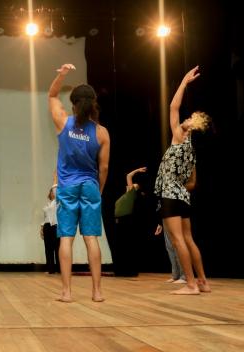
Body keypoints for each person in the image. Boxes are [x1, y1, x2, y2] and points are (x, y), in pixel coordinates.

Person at [48, 63, 110, 302]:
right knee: (91, 238)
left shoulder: (63, 122)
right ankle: (97, 292)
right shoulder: (102, 132)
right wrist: (99, 190)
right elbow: (103, 168)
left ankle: (66, 292)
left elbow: (52, 96)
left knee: (66, 238)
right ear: (94, 103)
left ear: (73, 104)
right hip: (90, 186)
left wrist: (62, 74)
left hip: (67, 187)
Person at [154, 65, 211, 295]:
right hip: (183, 195)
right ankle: (203, 282)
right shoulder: (191, 150)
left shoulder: (180, 137)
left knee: (178, 240)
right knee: (188, 238)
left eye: (189, 119)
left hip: (171, 194)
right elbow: (191, 181)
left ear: (192, 126)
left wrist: (184, 82)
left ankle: (190, 284)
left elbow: (173, 107)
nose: (184, 119)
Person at [113, 167, 160, 277]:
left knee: (127, 246)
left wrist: (137, 171)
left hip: (126, 221)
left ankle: (129, 270)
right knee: (121, 247)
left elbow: (128, 176)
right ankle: (121, 270)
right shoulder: (126, 195)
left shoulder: (132, 193)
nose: (132, 185)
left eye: (134, 185)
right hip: (120, 222)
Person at [40, 172, 59, 274]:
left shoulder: (57, 202)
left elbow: (56, 188)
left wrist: (55, 179)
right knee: (48, 248)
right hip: (47, 226)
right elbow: (45, 218)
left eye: (53, 191)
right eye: (51, 191)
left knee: (57, 247)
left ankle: (60, 269)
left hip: (55, 226)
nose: (52, 192)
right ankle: (50, 269)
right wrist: (41, 228)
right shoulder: (47, 205)